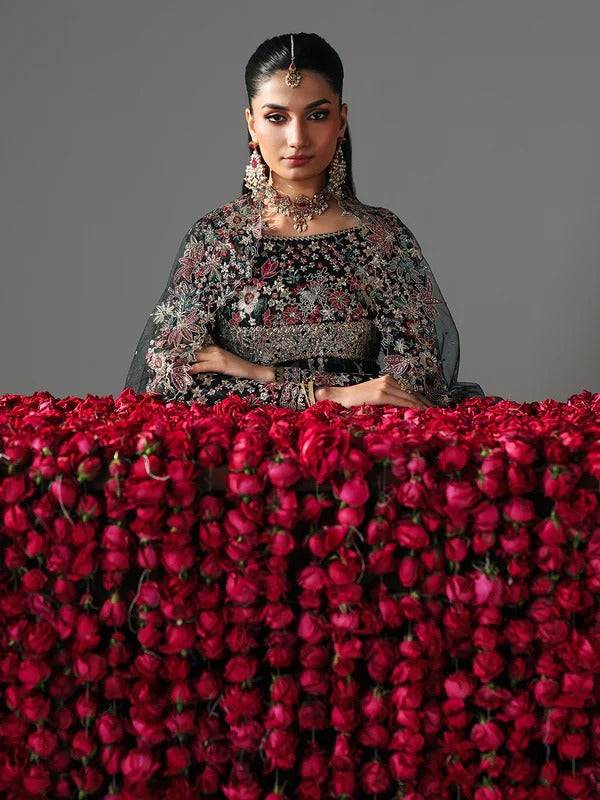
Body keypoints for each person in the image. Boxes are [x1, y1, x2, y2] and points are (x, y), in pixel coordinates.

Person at [123, 32, 487, 412]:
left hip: (361, 450)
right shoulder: (219, 239)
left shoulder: (381, 238)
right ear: (251, 124)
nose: (297, 138)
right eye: (276, 118)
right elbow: (169, 380)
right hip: (245, 457)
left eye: (317, 115)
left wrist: (256, 372)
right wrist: (328, 395)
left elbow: (412, 385)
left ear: (341, 121)